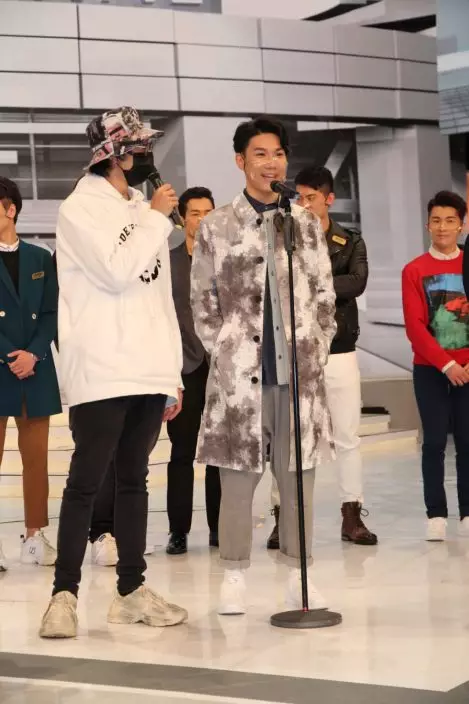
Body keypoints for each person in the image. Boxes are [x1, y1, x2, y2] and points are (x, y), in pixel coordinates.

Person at [39, 106, 187, 638]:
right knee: (85, 483)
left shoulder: (142, 208)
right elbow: (117, 271)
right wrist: (155, 219)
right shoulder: (80, 209)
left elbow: (160, 297)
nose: (147, 154)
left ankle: (130, 590)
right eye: (138, 146)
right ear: (115, 153)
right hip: (103, 366)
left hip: (148, 367)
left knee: (134, 481)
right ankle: (63, 595)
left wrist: (172, 372)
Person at [191, 116, 336, 615]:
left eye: (278, 153)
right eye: (260, 153)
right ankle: (234, 574)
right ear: (240, 161)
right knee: (236, 479)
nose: (271, 163)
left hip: (297, 377)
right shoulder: (216, 226)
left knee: (298, 479)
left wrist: (316, 348)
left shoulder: (304, 223)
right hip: (241, 379)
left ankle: (300, 574)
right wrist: (226, 352)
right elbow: (204, 303)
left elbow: (324, 297)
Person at [266, 166, 376, 549]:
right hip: (295, 352)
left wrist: (310, 282)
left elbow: (357, 282)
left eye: (311, 197)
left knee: (347, 436)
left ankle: (352, 514)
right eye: (299, 197)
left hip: (340, 350)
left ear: (329, 199)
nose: (303, 204)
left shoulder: (350, 241)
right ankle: (282, 518)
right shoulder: (283, 237)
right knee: (288, 438)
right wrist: (324, 284)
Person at [0, 177, 61, 570]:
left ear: (11, 210)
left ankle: (35, 536)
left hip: (35, 370)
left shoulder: (41, 257)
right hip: (3, 366)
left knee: (36, 460)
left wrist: (34, 353)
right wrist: (11, 356)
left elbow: (53, 311)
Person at [402, 190, 469, 541]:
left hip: (468, 369)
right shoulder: (414, 270)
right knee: (434, 442)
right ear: (428, 225)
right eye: (436, 221)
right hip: (430, 369)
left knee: (467, 441)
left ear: (461, 225)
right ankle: (436, 513)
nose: (442, 227)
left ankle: (467, 512)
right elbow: (415, 327)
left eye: (450, 220)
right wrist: (446, 364)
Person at [166, 187, 221, 556]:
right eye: (195, 213)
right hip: (183, 368)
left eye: (208, 213)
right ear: (183, 218)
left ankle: (219, 529)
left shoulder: (227, 260)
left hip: (220, 367)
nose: (202, 220)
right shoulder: (167, 262)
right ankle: (178, 531)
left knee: (218, 453)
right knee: (182, 452)